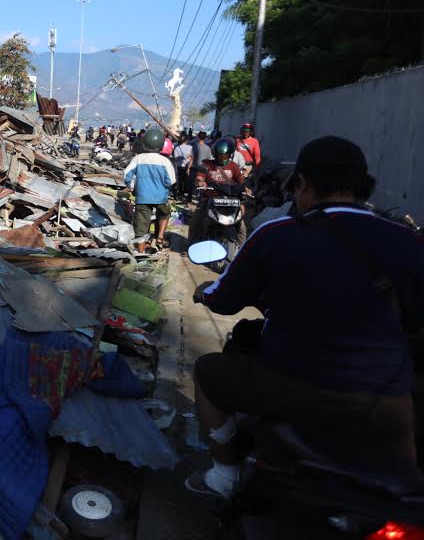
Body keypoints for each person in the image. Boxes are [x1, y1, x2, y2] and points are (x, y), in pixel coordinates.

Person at [185, 136, 423, 499]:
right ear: (363, 186)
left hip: (292, 385)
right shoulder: (407, 240)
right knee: (407, 489)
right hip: (388, 402)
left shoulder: (276, 234)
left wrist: (205, 291)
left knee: (207, 372)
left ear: (302, 184)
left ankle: (224, 476)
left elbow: (225, 300)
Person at [123, 128, 176, 253]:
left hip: (142, 196)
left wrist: (132, 186)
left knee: (141, 225)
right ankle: (160, 236)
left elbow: (126, 175)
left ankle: (141, 252)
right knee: (164, 213)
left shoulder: (138, 159)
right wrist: (163, 186)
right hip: (160, 196)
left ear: (144, 143)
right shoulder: (165, 161)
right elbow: (171, 180)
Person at [188, 138, 244, 243]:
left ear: (230, 154)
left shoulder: (234, 167)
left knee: (241, 225)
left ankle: (242, 248)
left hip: (230, 200)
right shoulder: (207, 165)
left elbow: (241, 182)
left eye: (225, 155)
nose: (222, 157)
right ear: (215, 154)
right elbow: (200, 176)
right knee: (196, 220)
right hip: (209, 198)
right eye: (219, 155)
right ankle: (191, 245)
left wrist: (247, 189)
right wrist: (200, 181)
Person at [172, 134, 194, 199]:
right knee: (187, 181)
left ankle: (181, 194)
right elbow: (192, 158)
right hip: (188, 166)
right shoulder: (190, 147)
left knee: (180, 181)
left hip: (180, 167)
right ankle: (186, 194)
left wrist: (181, 157)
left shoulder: (177, 148)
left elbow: (176, 159)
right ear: (187, 140)